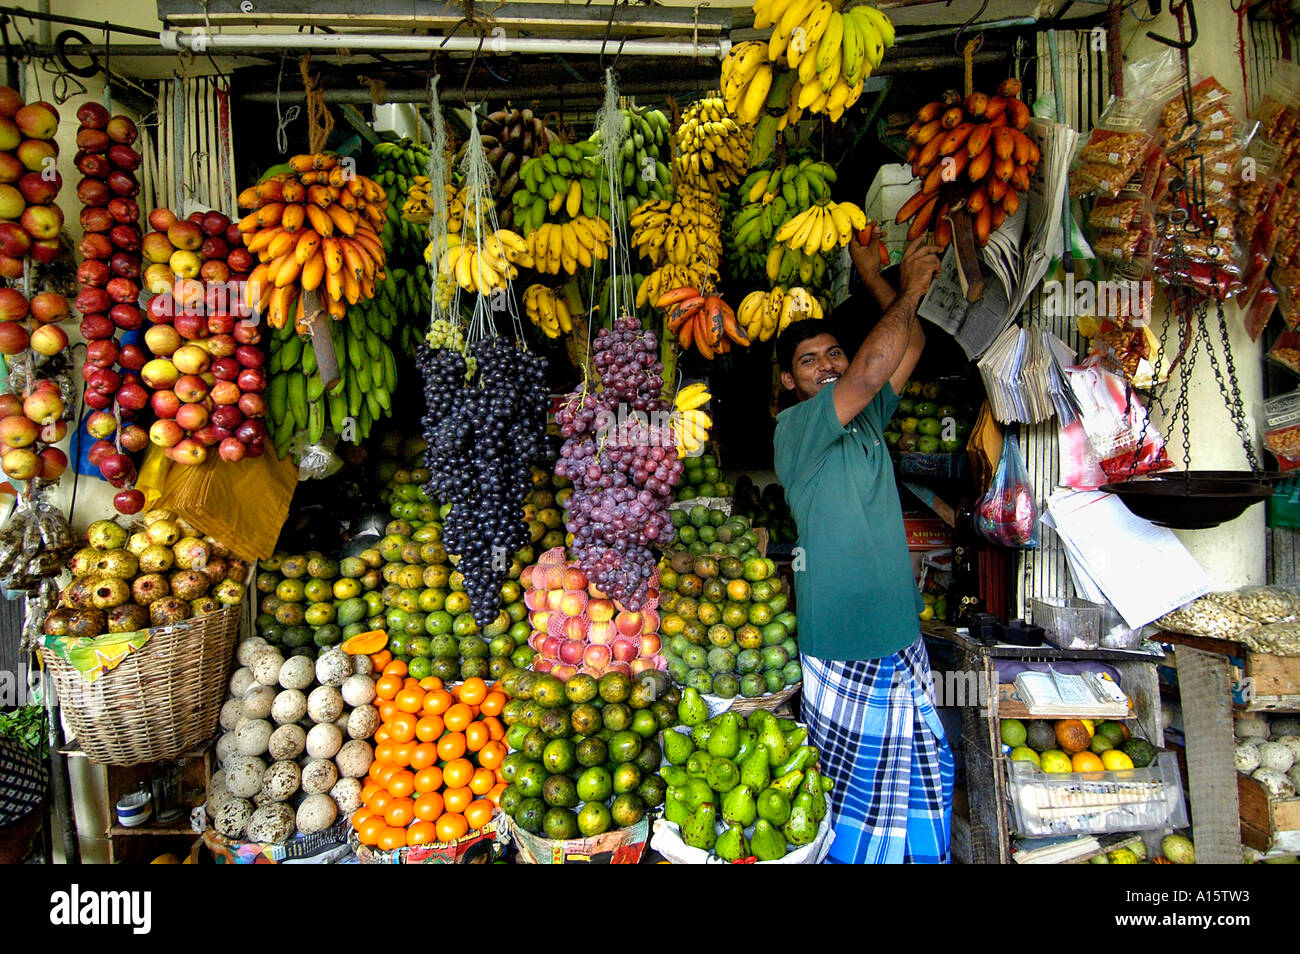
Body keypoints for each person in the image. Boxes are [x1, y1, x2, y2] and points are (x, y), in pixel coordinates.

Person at [773, 234, 954, 864]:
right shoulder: (796, 429)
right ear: (788, 382)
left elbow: (912, 346)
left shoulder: (867, 418)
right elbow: (873, 367)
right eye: (807, 361)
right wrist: (907, 290)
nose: (825, 365)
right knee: (856, 796)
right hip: (844, 641)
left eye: (834, 354)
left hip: (899, 632)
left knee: (920, 774)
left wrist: (876, 277)